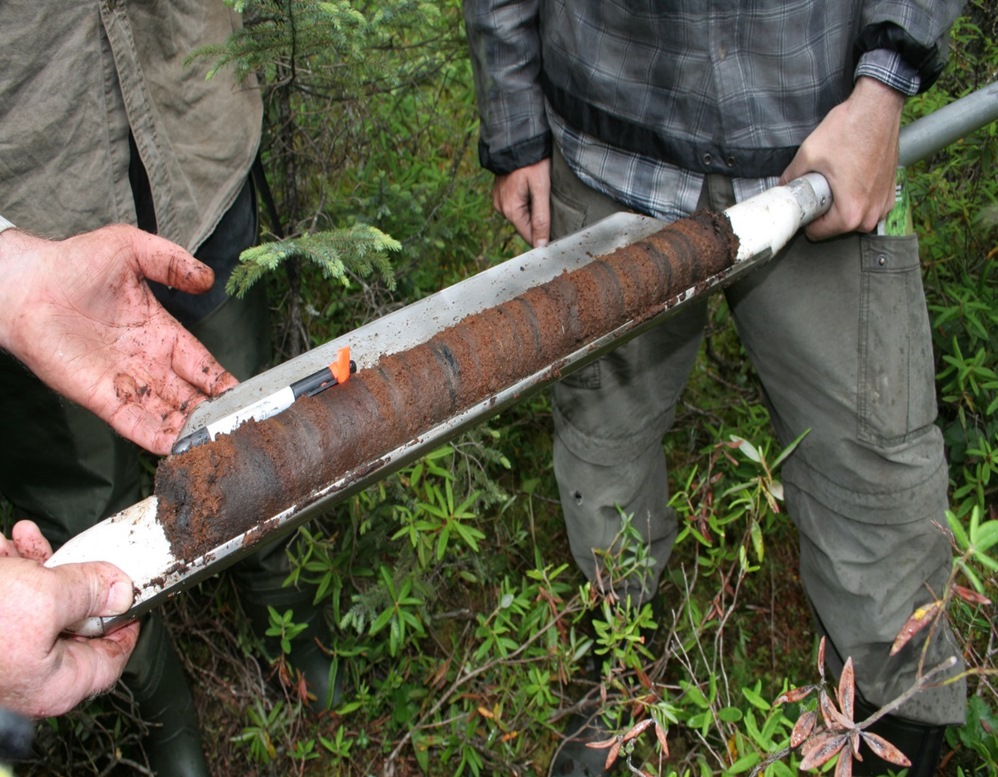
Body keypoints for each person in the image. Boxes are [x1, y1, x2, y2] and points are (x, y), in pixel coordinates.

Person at [464, 2, 967, 775]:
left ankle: (893, 735)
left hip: (823, 144)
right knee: (603, 458)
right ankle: (620, 678)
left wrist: (884, 88)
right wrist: (513, 124)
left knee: (881, 485)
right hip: (607, 146)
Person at [0, 4, 337, 775]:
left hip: (195, 141)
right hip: (32, 198)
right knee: (77, 506)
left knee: (248, 427)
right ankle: (154, 699)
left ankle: (285, 613)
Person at [0, 221, 236, 720]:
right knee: (89, 517)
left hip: (205, 204)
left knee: (239, 432)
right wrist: (22, 287)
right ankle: (161, 705)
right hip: (45, 206)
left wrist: (21, 278)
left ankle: (279, 593)